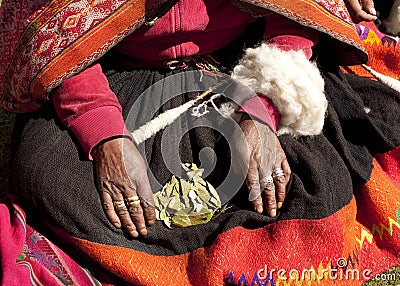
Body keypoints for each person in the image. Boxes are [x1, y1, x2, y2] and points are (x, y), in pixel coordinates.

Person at [1, 0, 400, 284]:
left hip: (242, 63)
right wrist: (104, 134)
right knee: (48, 177)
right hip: (111, 72)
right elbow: (58, 32)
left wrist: (262, 110)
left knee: (312, 175)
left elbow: (296, 17)